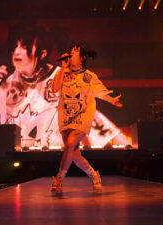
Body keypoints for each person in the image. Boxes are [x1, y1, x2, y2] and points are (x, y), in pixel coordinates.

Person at [0, 23, 130, 148]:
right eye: (15, 46)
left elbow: (89, 115)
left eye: (24, 47)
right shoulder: (6, 84)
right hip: (23, 154)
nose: (17, 52)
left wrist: (126, 146)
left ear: (42, 54)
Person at [50, 45, 123, 193]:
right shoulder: (62, 72)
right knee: (74, 154)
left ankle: (59, 179)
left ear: (82, 58)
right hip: (65, 116)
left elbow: (100, 91)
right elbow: (54, 89)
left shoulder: (89, 76)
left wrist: (112, 100)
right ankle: (94, 175)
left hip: (83, 115)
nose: (71, 55)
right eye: (70, 53)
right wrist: (63, 68)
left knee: (70, 144)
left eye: (74, 53)